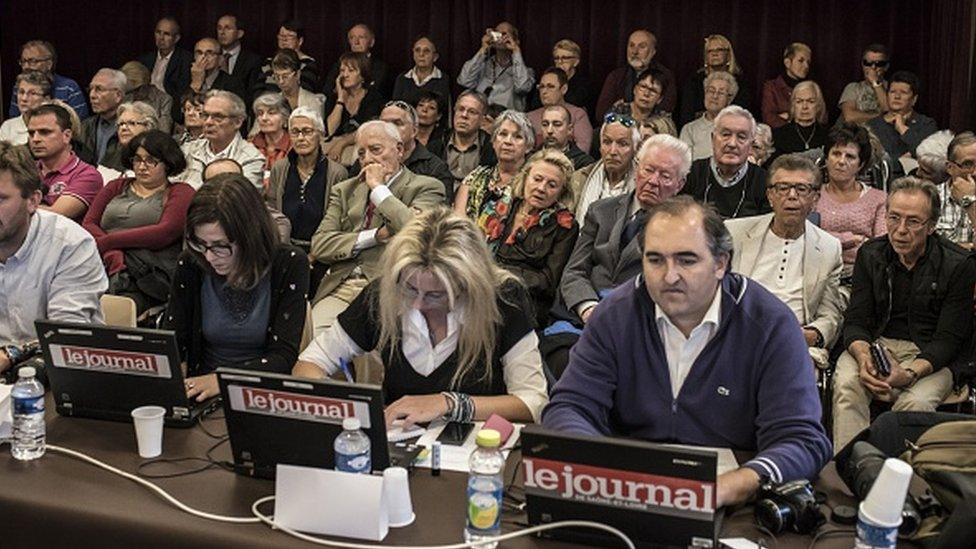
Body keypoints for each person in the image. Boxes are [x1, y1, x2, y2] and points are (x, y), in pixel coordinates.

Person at [543, 195, 832, 505]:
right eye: (655, 260)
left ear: (721, 263)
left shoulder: (770, 324)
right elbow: (569, 406)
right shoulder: (615, 314)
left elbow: (802, 439)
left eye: (687, 260)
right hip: (624, 485)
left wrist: (731, 486)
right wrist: (602, 469)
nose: (669, 276)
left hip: (734, 494)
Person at [294, 207, 549, 425]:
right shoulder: (382, 294)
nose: (416, 304)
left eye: (435, 295)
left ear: (467, 285)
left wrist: (449, 403)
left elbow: (532, 403)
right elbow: (309, 364)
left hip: (478, 453)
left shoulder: (503, 299)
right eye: (410, 288)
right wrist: (343, 406)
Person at [832, 177, 976, 450]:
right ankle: (852, 469)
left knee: (915, 405)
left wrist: (909, 374)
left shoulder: (959, 265)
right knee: (848, 387)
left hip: (931, 354)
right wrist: (864, 359)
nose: (900, 230)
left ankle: (894, 482)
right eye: (894, 218)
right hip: (876, 344)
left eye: (912, 222)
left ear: (932, 226)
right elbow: (856, 321)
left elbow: (949, 340)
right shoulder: (871, 253)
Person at [165, 173, 310, 402]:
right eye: (200, 244)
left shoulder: (289, 262)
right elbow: (172, 341)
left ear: (249, 236)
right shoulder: (192, 262)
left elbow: (283, 357)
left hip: (262, 394)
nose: (210, 257)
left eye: (221, 246)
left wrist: (222, 380)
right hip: (201, 390)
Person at [309, 120, 446, 334]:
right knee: (316, 342)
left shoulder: (426, 187)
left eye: (375, 150)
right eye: (361, 154)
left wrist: (378, 188)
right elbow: (320, 245)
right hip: (341, 286)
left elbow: (416, 231)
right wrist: (375, 236)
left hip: (390, 287)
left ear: (399, 150)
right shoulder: (344, 190)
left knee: (367, 346)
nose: (368, 160)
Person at [725, 154, 845, 367]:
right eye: (782, 188)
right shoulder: (735, 233)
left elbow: (830, 314)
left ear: (815, 199)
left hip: (795, 342)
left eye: (801, 189)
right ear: (770, 195)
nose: (791, 196)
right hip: (739, 336)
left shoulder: (829, 247)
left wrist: (811, 335)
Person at [0, 141, 107, 377]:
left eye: (1, 199)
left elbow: (64, 338)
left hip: (65, 375)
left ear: (33, 201)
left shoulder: (70, 244)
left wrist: (12, 354)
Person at [561, 134, 692, 325]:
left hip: (636, 320)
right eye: (648, 170)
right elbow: (574, 271)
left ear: (680, 184)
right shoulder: (600, 210)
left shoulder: (682, 229)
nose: (653, 181)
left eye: (665, 176)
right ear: (637, 169)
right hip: (584, 312)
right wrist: (588, 308)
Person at [82, 130, 194, 313]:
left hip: (148, 277)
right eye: (137, 159)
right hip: (102, 265)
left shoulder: (180, 191)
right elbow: (89, 224)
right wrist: (112, 254)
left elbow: (164, 233)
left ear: (168, 163)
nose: (142, 167)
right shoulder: (116, 186)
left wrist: (109, 243)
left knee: (117, 307)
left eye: (151, 160)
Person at [478, 149, 578, 327]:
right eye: (537, 179)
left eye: (552, 185)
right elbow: (474, 253)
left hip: (525, 301)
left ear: (561, 193)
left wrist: (500, 275)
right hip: (482, 287)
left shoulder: (564, 225)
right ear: (525, 178)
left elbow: (548, 282)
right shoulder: (497, 206)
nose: (541, 188)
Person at [266, 107, 348, 293]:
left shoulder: (337, 173)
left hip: (322, 255)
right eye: (295, 132)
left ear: (320, 134)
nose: (301, 137)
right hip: (284, 250)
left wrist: (313, 255)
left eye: (307, 131)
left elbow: (339, 221)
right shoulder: (280, 168)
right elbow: (272, 210)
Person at [814, 124, 887, 278]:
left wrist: (827, 240)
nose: (841, 161)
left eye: (850, 156)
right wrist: (852, 239)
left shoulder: (879, 199)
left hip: (865, 275)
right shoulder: (812, 197)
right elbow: (807, 239)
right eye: (836, 153)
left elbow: (881, 247)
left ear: (860, 164)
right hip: (818, 273)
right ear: (826, 158)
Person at [349, 101, 453, 203]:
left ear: (414, 131)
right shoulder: (364, 163)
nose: (389, 128)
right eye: (384, 124)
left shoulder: (436, 169)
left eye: (397, 123)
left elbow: (438, 216)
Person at [683, 106, 770, 219]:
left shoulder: (764, 181)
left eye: (741, 137)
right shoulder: (691, 173)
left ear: (750, 145)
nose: (732, 143)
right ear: (713, 139)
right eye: (726, 134)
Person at [28, 103, 104, 222]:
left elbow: (56, 215)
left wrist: (13, 206)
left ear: (67, 136)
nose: (35, 139)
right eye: (31, 133)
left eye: (45, 132)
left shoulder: (88, 175)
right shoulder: (23, 169)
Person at [454, 110, 535, 220]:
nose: (508, 141)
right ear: (493, 142)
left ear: (528, 146)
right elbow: (458, 220)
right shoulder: (477, 176)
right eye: (503, 134)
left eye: (517, 137)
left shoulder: (533, 182)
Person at [178, 90, 264, 189]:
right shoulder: (187, 150)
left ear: (238, 122)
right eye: (205, 115)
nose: (208, 122)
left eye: (218, 117)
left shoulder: (251, 158)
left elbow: (242, 199)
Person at [571, 112, 639, 222]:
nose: (613, 151)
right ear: (600, 147)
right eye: (607, 142)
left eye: (622, 144)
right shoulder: (579, 179)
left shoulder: (643, 183)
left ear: (635, 149)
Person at [595, 30, 676, 120]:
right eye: (631, 45)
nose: (635, 51)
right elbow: (601, 114)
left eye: (641, 46)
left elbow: (667, 110)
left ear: (653, 52)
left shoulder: (665, 76)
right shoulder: (616, 76)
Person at [457, 22, 536, 111]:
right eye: (497, 33)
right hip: (481, 119)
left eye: (504, 34)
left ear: (516, 41)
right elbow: (464, 81)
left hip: (507, 120)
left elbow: (522, 87)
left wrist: (516, 50)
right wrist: (483, 49)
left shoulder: (526, 71)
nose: (500, 38)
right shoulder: (482, 65)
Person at [427, 90, 496, 192]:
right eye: (461, 109)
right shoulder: (435, 145)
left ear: (482, 119)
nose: (464, 115)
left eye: (472, 112)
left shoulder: (491, 149)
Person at [322, 52, 385, 164]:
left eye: (351, 71)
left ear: (363, 76)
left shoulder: (374, 98)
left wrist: (342, 143)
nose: (345, 75)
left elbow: (368, 130)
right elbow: (331, 130)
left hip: (361, 147)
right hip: (334, 148)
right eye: (342, 71)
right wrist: (340, 99)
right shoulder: (334, 98)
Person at [678, 34, 752, 128]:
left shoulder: (740, 82)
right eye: (710, 51)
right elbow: (686, 116)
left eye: (719, 50)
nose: (714, 53)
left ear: (728, 55)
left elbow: (743, 114)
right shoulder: (694, 81)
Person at [8, 40, 89, 119]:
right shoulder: (19, 87)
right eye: (23, 61)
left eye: (32, 61)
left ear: (49, 64)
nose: (26, 66)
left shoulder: (69, 87)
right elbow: (14, 120)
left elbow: (80, 123)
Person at [867, 71, 938, 160]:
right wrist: (902, 161)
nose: (897, 96)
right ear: (887, 95)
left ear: (914, 99)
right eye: (892, 92)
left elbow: (928, 156)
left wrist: (902, 129)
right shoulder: (872, 125)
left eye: (903, 92)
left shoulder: (926, 124)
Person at [138, 16, 192, 122]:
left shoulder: (186, 60)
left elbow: (182, 92)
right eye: (158, 32)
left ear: (176, 38)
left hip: (170, 111)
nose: (161, 38)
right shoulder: (145, 59)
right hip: (144, 108)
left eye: (166, 34)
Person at [527, 68, 592, 152]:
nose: (544, 91)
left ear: (564, 89)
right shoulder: (529, 117)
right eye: (542, 87)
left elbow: (583, 148)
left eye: (550, 86)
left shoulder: (578, 115)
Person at [322, 24, 391, 99]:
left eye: (361, 37)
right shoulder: (339, 64)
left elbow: (374, 92)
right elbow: (327, 91)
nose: (356, 42)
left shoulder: (380, 67)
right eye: (352, 38)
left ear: (371, 42)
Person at [679, 71, 737, 160]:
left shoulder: (735, 128)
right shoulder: (689, 129)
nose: (715, 96)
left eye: (721, 93)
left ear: (729, 99)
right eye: (711, 90)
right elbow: (684, 163)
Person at [257, 19, 322, 94]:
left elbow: (305, 90)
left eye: (290, 36)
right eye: (281, 35)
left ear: (300, 41)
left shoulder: (308, 64)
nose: (284, 39)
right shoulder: (268, 62)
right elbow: (258, 88)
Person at [771, 80, 829, 158]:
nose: (804, 107)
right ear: (793, 105)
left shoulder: (828, 135)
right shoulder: (778, 136)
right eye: (799, 102)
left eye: (810, 102)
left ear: (818, 106)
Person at [81, 68, 126, 166]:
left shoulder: (131, 128)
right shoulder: (85, 126)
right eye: (90, 89)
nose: (92, 95)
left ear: (118, 95)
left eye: (99, 89)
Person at [392, 36, 452, 109]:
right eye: (417, 50)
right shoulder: (402, 78)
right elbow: (396, 107)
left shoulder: (444, 80)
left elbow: (443, 110)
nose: (421, 54)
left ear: (435, 57)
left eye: (426, 51)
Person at [761, 43, 812, 129]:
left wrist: (788, 116)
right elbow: (769, 119)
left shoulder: (811, 89)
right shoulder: (772, 87)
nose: (806, 66)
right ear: (787, 63)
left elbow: (821, 118)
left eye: (808, 62)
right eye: (801, 61)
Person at [215, 14, 264, 104]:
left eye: (227, 28)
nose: (222, 32)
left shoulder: (253, 61)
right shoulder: (213, 56)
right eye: (219, 28)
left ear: (239, 33)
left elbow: (251, 92)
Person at [102, 101, 159, 174]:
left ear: (148, 127)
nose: (123, 128)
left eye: (131, 123)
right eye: (121, 124)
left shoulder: (159, 154)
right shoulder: (112, 151)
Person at [248, 93, 292, 187]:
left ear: (285, 118)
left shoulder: (294, 146)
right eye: (260, 113)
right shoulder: (249, 145)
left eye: (271, 113)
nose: (264, 118)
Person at [839, 44, 890, 125]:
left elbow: (888, 110)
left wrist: (875, 83)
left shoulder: (892, 88)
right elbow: (849, 117)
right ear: (862, 65)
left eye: (879, 64)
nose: (873, 67)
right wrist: (882, 118)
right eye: (868, 63)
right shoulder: (852, 87)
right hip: (855, 135)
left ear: (886, 66)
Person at [121, 61, 174, 135]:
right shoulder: (125, 98)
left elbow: (164, 133)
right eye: (131, 91)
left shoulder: (164, 100)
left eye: (138, 89)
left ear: (146, 83)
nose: (136, 94)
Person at [267, 49, 325, 116]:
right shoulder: (271, 103)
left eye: (285, 76)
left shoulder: (313, 102)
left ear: (297, 74)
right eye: (277, 77)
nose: (281, 81)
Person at [0, 71, 52, 145]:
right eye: (21, 92)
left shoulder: (53, 126)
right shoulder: (8, 127)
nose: (24, 98)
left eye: (33, 93)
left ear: (46, 99)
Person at [619, 69, 676, 136]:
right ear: (635, 89)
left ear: (659, 99)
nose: (646, 94)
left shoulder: (664, 123)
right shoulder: (619, 111)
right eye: (643, 87)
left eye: (653, 91)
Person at [539, 105, 595, 170]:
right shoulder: (531, 158)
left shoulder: (584, 163)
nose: (549, 130)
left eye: (557, 125)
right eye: (545, 125)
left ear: (569, 129)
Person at [548, 39, 594, 117]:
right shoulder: (547, 80)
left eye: (565, 58)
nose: (560, 61)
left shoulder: (586, 85)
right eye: (557, 58)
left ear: (576, 62)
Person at [946, 131, 976, 243]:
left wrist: (970, 203)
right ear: (950, 167)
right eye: (967, 164)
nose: (975, 173)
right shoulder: (930, 197)